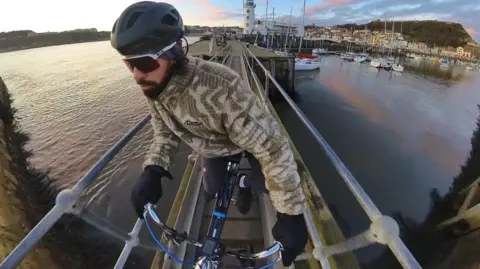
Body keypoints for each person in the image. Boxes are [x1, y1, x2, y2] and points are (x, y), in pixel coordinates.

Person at [110, 1, 308, 266]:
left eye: (143, 63)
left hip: (251, 140)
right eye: (128, 64)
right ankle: (239, 184)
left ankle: (247, 184)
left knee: (269, 189)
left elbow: (272, 148)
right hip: (212, 147)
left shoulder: (223, 88)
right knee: (212, 188)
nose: (136, 75)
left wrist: (291, 214)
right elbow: (164, 131)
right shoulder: (155, 86)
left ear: (173, 53)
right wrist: (154, 168)